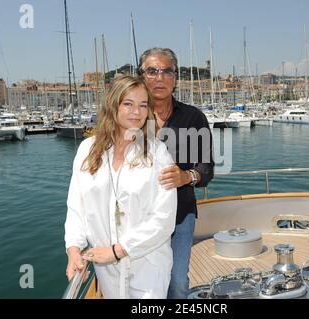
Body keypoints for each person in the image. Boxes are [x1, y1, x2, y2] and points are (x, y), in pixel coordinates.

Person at [64, 75, 177, 299]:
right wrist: (73, 249)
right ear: (112, 105)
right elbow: (76, 206)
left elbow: (164, 218)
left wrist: (118, 251)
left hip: (148, 265)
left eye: (143, 105)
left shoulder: (158, 154)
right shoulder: (87, 150)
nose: (137, 111)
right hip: (107, 269)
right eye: (128, 103)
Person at [138, 48, 215, 299]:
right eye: (152, 71)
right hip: (139, 217)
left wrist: (187, 177)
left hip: (181, 213)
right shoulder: (131, 116)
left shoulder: (193, 117)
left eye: (166, 71)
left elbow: (207, 167)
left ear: (176, 76)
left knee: (178, 281)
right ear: (142, 77)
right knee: (145, 282)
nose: (159, 78)